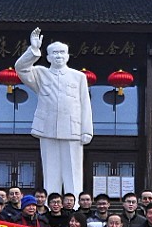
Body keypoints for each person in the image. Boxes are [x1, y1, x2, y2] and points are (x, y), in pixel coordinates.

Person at [15, 27, 93, 196]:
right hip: (47, 127)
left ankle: (75, 205)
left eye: (62, 53)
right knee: (50, 171)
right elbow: (21, 68)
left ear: (68, 56)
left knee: (73, 172)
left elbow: (85, 104)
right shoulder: (40, 74)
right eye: (55, 53)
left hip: (72, 128)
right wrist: (33, 49)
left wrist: (87, 130)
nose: (59, 56)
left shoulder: (78, 77)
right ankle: (51, 205)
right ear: (48, 57)